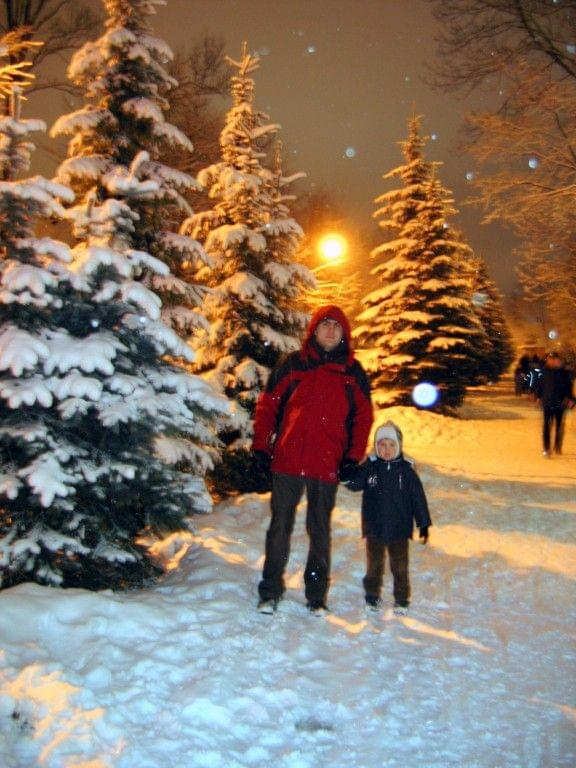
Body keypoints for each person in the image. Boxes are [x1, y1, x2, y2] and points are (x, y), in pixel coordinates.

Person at [252, 304, 373, 615]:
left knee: (319, 530)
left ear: (344, 334)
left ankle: (316, 596)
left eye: (336, 327)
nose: (330, 331)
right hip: (287, 462)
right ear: (314, 330)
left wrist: (353, 457)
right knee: (279, 527)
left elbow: (363, 418)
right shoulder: (293, 364)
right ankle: (270, 590)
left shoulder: (352, 372)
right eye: (325, 325)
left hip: (326, 464)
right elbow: (268, 407)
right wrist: (261, 448)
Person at [341, 420, 431, 614]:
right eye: (382, 445)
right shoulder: (370, 468)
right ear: (376, 446)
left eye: (391, 445)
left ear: (398, 447)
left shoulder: (406, 471)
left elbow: (418, 498)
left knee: (399, 567)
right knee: (374, 566)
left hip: (399, 529)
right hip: (374, 527)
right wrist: (346, 475)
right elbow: (355, 484)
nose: (386, 450)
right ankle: (372, 596)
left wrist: (423, 523)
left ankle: (401, 599)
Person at [534, 351, 574, 456]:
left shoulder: (563, 373)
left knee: (559, 426)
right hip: (547, 402)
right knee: (546, 426)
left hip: (560, 403)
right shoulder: (543, 371)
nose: (551, 361)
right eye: (549, 359)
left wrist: (571, 399)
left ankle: (557, 445)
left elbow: (568, 387)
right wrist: (538, 397)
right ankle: (546, 448)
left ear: (557, 360)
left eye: (553, 359)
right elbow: (539, 385)